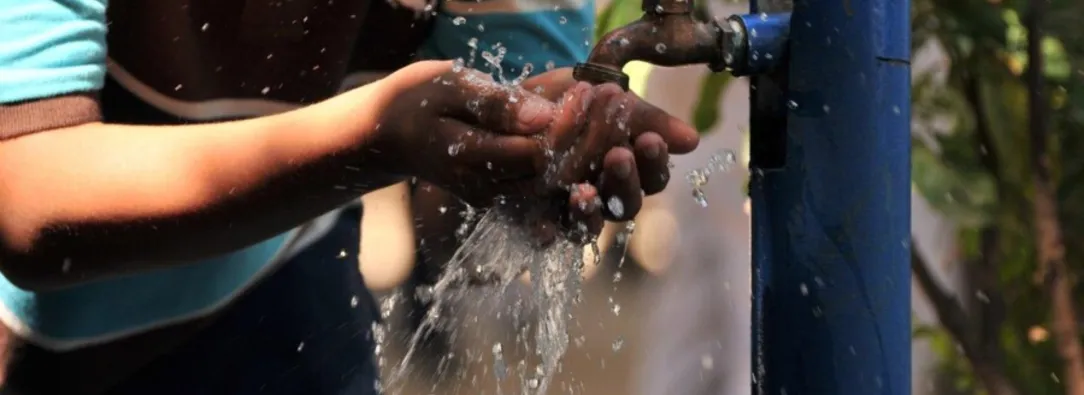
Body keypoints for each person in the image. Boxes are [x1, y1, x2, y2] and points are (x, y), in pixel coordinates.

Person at [0, 0, 701, 394]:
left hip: (284, 296)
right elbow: (28, 191)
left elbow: (460, 222)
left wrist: (537, 163)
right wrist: (371, 141)